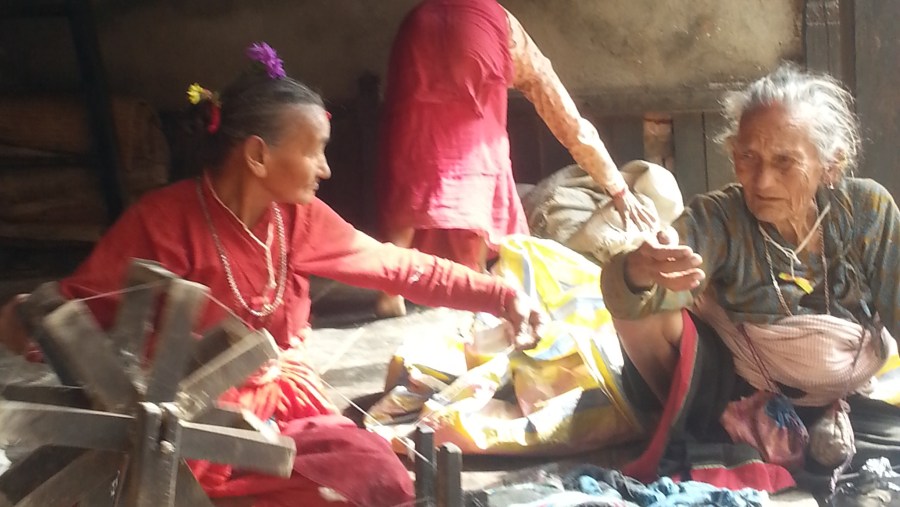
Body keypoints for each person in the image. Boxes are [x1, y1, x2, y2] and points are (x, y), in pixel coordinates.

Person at [0, 43, 545, 507]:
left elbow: (399, 265)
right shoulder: (162, 225)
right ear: (258, 155)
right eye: (316, 153)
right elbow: (74, 312)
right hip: (190, 429)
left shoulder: (299, 221)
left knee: (375, 474)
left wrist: (500, 295)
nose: (327, 169)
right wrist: (28, 323)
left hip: (285, 410)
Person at [600, 64, 900, 498]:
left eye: (784, 162)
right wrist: (641, 271)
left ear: (829, 165)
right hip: (739, 395)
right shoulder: (719, 218)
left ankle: (799, 445)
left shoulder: (867, 209)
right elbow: (634, 295)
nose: (760, 181)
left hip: (842, 397)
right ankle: (697, 428)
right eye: (747, 157)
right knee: (643, 312)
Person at [375, 0, 656, 317]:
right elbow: (562, 112)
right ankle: (473, 281)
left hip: (414, 68)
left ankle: (389, 292)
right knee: (474, 166)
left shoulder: (418, 16)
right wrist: (615, 185)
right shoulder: (500, 23)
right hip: (476, 62)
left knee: (412, 172)